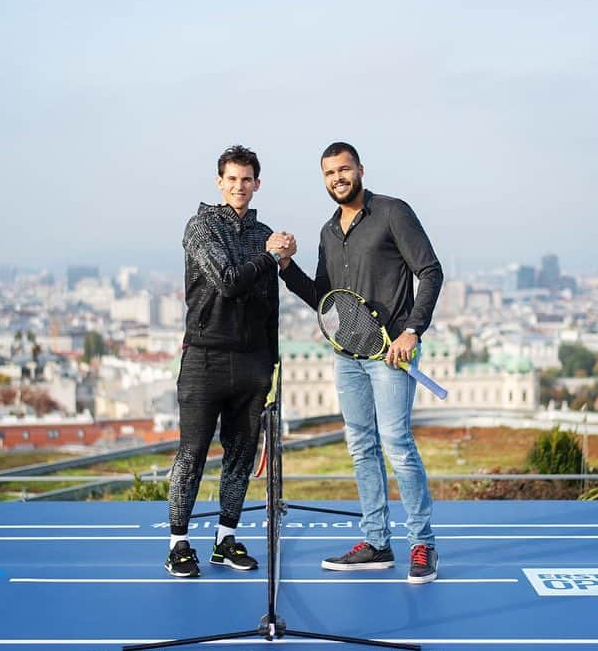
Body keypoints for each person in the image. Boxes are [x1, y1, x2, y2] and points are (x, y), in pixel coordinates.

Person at [279, 141, 443, 584]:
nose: (338, 178)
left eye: (344, 169)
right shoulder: (328, 232)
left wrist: (413, 330)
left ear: (360, 170)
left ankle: (422, 544)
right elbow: (323, 297)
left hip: (391, 353)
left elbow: (430, 271)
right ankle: (376, 542)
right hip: (346, 356)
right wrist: (286, 266)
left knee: (397, 446)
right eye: (330, 173)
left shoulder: (393, 212)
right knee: (361, 448)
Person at [166, 145, 296, 578]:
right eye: (232, 179)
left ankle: (226, 538)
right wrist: (271, 256)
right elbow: (227, 282)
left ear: (257, 184)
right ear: (219, 182)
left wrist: (272, 363)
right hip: (205, 356)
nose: (240, 186)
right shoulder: (201, 225)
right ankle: (178, 543)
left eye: (247, 179)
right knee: (192, 454)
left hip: (254, 361)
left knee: (241, 454)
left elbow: (272, 302)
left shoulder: (265, 234)